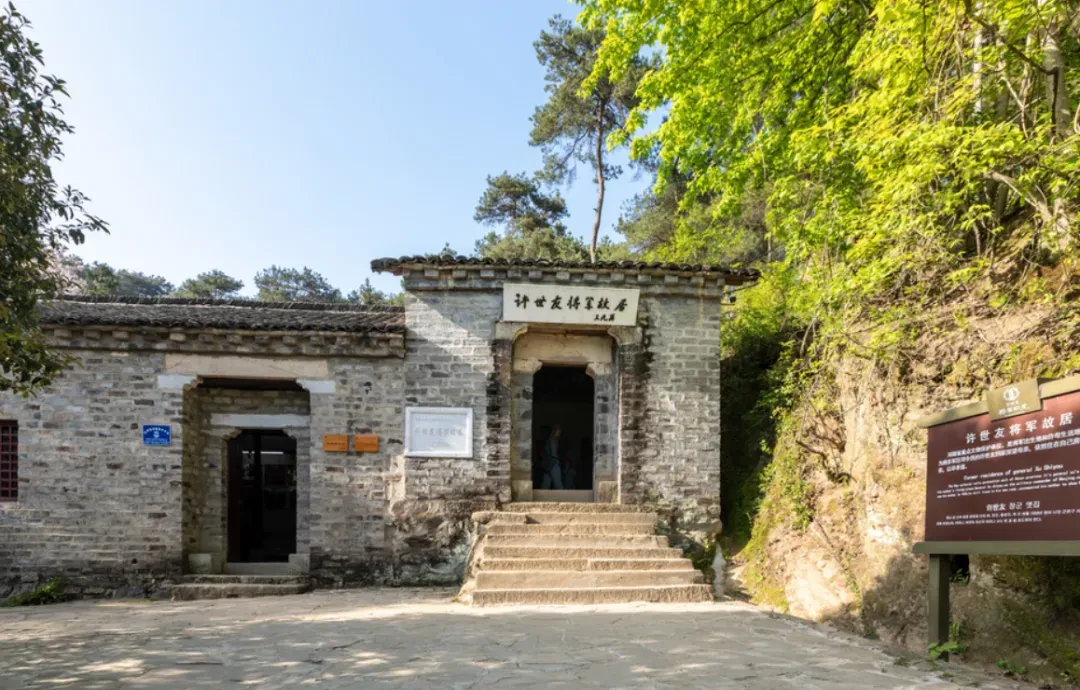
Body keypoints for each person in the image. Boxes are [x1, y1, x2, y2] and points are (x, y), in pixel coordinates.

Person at [539, 426, 564, 490]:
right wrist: (559, 459)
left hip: (548, 465)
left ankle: (542, 495)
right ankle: (563, 495)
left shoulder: (550, 439)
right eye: (559, 431)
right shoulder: (553, 439)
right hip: (553, 463)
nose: (559, 433)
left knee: (545, 485)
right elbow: (554, 453)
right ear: (555, 430)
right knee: (558, 484)